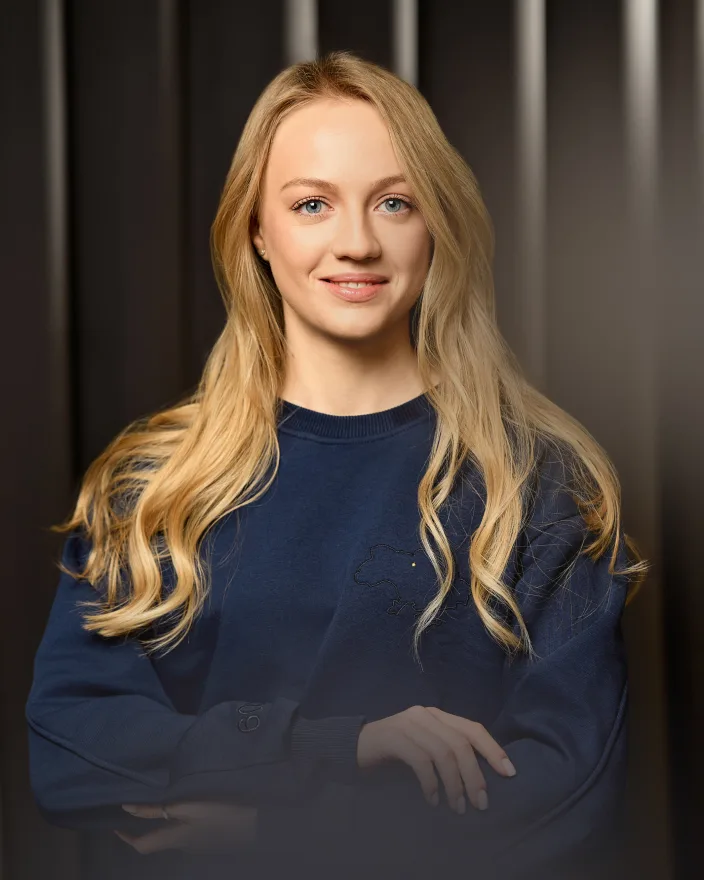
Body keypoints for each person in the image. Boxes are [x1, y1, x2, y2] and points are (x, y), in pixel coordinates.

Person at [26, 50, 648, 880]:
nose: (356, 243)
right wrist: (339, 748)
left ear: (437, 224)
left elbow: (568, 795)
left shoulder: (537, 485)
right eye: (312, 204)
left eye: (395, 202)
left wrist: (272, 829)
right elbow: (70, 750)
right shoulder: (152, 485)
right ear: (257, 230)